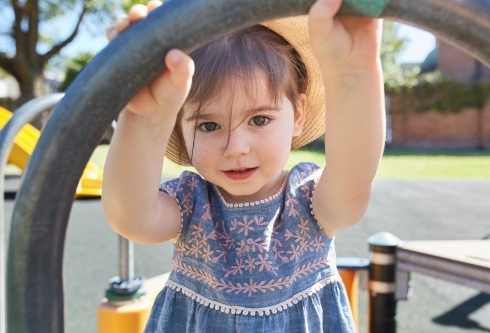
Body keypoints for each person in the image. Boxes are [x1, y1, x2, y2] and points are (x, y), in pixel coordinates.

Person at [102, 0, 385, 331]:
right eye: (209, 126)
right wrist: (144, 118)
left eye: (260, 119)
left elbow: (353, 186)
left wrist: (354, 74)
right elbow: (131, 217)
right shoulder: (192, 203)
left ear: (297, 114)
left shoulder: (308, 199)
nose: (235, 148)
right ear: (181, 125)